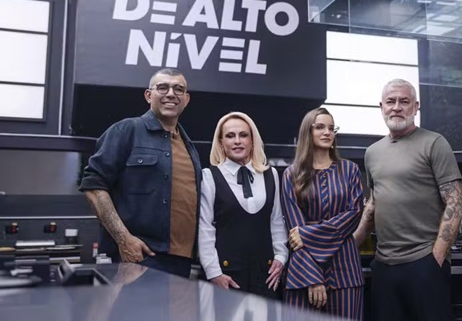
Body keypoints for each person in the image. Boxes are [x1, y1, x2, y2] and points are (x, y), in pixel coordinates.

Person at [353, 78, 462, 321]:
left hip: (424, 262)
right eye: (390, 101)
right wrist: (352, 244)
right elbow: (374, 203)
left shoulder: (434, 143)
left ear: (416, 107)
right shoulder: (372, 152)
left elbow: (456, 202)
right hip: (384, 266)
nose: (396, 107)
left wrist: (436, 257)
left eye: (404, 101)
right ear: (381, 107)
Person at [79, 68, 202, 278]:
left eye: (178, 89)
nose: (171, 94)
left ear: (186, 99)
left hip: (183, 263)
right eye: (162, 87)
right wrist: (124, 240)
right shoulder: (126, 131)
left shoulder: (189, 146)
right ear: (148, 95)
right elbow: (93, 186)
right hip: (138, 258)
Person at [281, 107, 364, 320]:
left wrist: (307, 234)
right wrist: (312, 278)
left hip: (346, 270)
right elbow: (295, 232)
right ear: (307, 133)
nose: (327, 132)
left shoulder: (350, 170)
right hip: (303, 271)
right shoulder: (291, 175)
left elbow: (355, 213)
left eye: (331, 128)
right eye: (319, 127)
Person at [198, 112, 287, 299]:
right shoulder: (209, 176)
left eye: (243, 135)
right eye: (230, 136)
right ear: (221, 142)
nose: (237, 141)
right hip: (226, 276)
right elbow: (205, 228)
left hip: (266, 276)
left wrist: (281, 257)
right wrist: (213, 272)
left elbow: (276, 221)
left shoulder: (271, 175)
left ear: (252, 140)